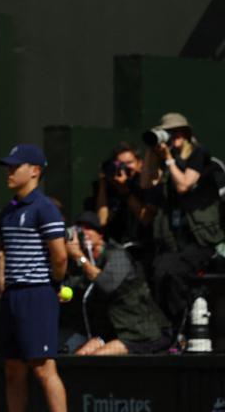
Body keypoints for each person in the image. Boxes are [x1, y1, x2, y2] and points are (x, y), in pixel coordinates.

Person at [0, 144, 77, 412]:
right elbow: (3, 251)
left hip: (38, 293)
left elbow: (60, 255)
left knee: (42, 366)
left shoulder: (44, 207)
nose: (9, 172)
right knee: (13, 366)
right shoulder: (8, 211)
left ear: (35, 171)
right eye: (8, 167)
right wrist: (2, 279)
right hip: (12, 294)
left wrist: (54, 284)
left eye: (16, 166)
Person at [139, 113, 222, 330]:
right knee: (157, 272)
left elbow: (184, 184)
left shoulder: (198, 154)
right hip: (174, 241)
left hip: (200, 239)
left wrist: (168, 158)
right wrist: (151, 150)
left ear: (185, 134)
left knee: (173, 273)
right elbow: (146, 184)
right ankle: (165, 330)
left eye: (174, 133)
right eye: (167, 133)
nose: (170, 138)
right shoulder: (168, 161)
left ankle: (181, 328)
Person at [65, 213, 171, 356]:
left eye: (89, 228)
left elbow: (106, 284)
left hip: (141, 332)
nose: (84, 233)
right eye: (80, 229)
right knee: (80, 355)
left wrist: (79, 256)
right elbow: (72, 286)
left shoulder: (118, 255)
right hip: (113, 332)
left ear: (100, 234)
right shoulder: (85, 262)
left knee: (98, 357)